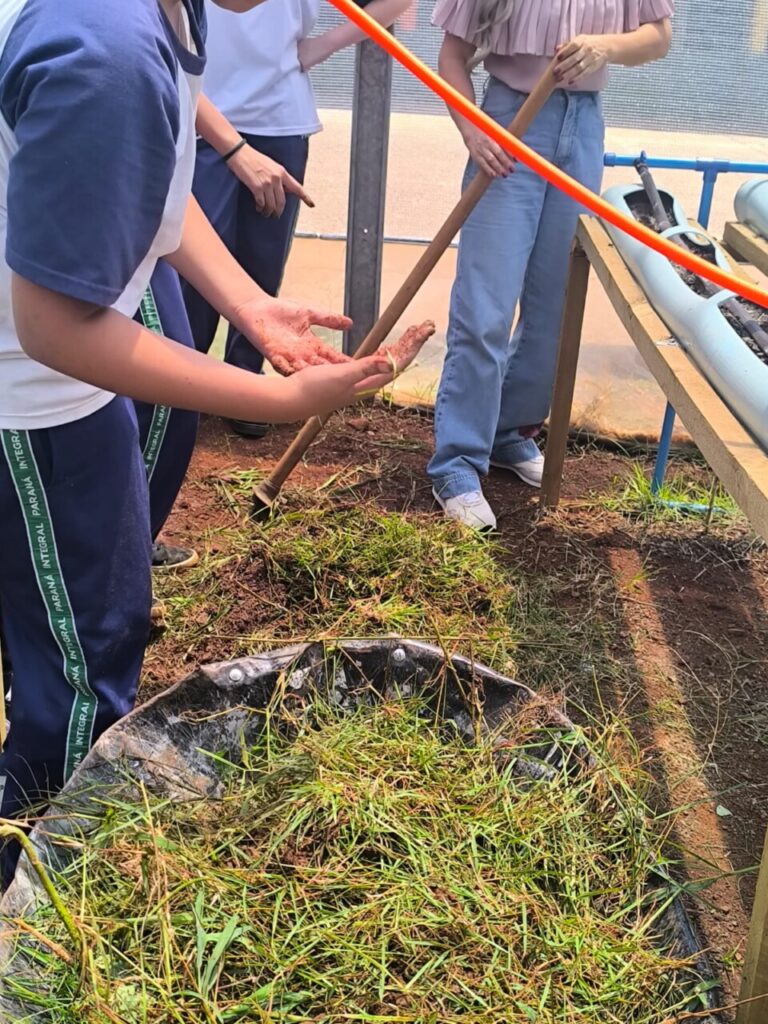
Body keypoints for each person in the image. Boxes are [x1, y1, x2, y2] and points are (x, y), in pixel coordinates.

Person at [0, 0, 422, 884]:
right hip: (36, 392)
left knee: (80, 619)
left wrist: (251, 307)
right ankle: (36, 883)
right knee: (82, 673)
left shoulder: (167, 16)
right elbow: (55, 325)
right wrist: (277, 400)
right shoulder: (109, 52)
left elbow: (151, 174)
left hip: (63, 366)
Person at [428, 0, 673, 529]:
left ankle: (510, 431)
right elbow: (452, 56)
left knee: (554, 301)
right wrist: (474, 129)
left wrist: (605, 47)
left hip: (582, 127)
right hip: (510, 123)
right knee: (486, 306)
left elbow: (658, 36)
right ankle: (457, 463)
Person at [183, 0, 413, 437]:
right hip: (199, 110)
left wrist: (324, 45)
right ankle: (183, 384)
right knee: (193, 268)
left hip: (278, 118)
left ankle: (246, 384)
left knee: (262, 263)